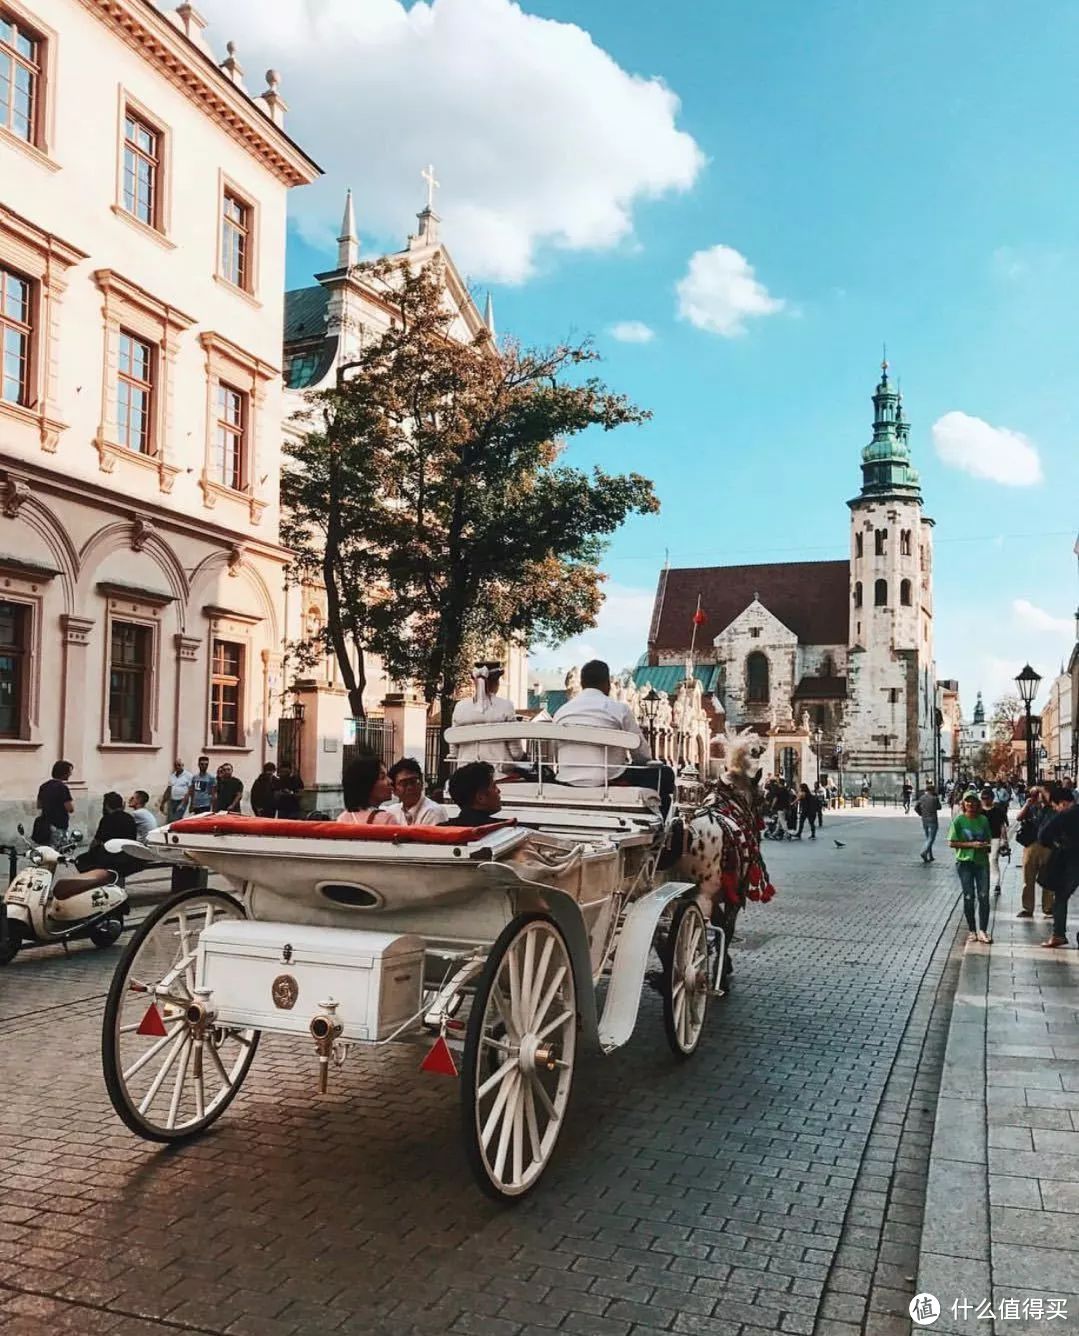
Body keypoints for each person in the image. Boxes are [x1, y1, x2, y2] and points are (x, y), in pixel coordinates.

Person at [551, 659, 654, 787]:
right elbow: (643, 755)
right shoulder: (619, 709)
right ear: (608, 684)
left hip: (567, 780)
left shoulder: (561, 712)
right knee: (664, 774)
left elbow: (555, 751)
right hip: (608, 780)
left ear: (582, 684)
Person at [449, 662, 527, 769]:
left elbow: (454, 750)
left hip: (465, 770)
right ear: (496, 683)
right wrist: (522, 757)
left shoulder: (460, 707)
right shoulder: (506, 706)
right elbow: (515, 753)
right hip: (499, 772)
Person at [1036, 784, 1079, 949]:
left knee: (1060, 898)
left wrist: (1057, 844)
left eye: (1055, 806)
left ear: (1062, 803)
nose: (1055, 809)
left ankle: (1058, 934)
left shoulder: (1065, 815)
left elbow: (1043, 835)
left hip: (1070, 862)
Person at [947, 792, 993, 945]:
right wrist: (971, 845)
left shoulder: (983, 820)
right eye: (968, 802)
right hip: (964, 862)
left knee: (984, 896)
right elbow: (952, 842)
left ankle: (983, 931)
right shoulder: (959, 821)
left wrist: (984, 845)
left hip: (981, 862)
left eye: (973, 802)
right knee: (969, 896)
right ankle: (972, 930)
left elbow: (988, 839)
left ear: (977, 804)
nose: (971, 805)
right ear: (963, 804)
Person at [75, 792, 139, 875]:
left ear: (107, 805)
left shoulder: (107, 819)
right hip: (128, 856)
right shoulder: (129, 818)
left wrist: (90, 852)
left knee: (80, 860)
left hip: (112, 856)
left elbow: (97, 841)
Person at [1015, 785, 1054, 920]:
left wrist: (1041, 789)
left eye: (1040, 793)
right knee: (1028, 877)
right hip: (1031, 844)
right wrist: (1027, 804)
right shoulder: (1031, 807)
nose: (1038, 795)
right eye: (1036, 793)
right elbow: (1018, 818)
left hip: (1048, 846)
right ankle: (1027, 908)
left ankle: (1048, 907)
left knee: (1048, 878)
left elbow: (1050, 800)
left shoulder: (1051, 808)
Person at [337, 754, 405, 825]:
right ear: (367, 785)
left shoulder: (342, 818)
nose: (390, 781)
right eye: (382, 777)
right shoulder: (387, 819)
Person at [386, 757, 448, 825]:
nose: (410, 787)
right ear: (394, 790)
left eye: (413, 782)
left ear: (422, 783)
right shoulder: (391, 812)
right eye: (404, 783)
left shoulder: (434, 812)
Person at [442, 761, 503, 827]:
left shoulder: (441, 830)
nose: (499, 791)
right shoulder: (504, 830)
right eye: (494, 787)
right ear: (480, 797)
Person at [34, 760, 74, 845]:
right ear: (64, 772)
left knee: (46, 850)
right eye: (69, 771)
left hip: (45, 825)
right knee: (58, 851)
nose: (70, 774)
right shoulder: (63, 788)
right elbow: (70, 808)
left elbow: (39, 805)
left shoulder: (43, 786)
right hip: (59, 824)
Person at [979, 785, 1010, 896]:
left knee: (993, 860)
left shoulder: (998, 810)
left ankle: (996, 884)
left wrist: (1005, 840)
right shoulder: (979, 811)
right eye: (983, 798)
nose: (984, 800)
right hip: (982, 839)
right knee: (983, 862)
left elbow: (1002, 826)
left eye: (986, 798)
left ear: (992, 798)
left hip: (995, 838)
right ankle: (985, 882)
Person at [914, 782, 942, 862]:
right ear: (933, 790)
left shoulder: (922, 798)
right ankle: (924, 852)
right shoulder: (934, 798)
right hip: (933, 820)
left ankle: (930, 856)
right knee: (931, 839)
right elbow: (939, 807)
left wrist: (921, 813)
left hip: (924, 820)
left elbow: (916, 807)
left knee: (928, 838)